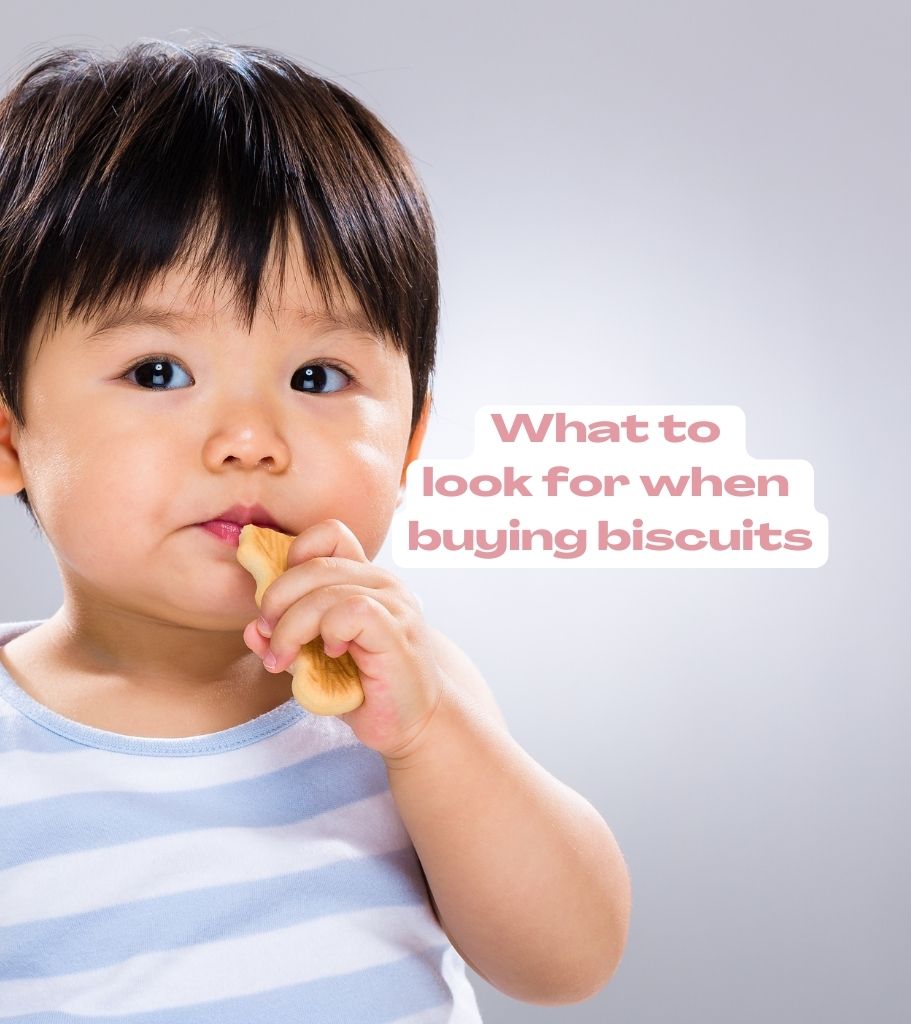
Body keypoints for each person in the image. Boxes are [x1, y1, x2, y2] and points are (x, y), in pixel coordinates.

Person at [0, 39, 631, 1020]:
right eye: (160, 371)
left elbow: (568, 962)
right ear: (10, 437)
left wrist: (428, 737)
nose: (250, 440)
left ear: (412, 437)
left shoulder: (403, 694)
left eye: (316, 378)